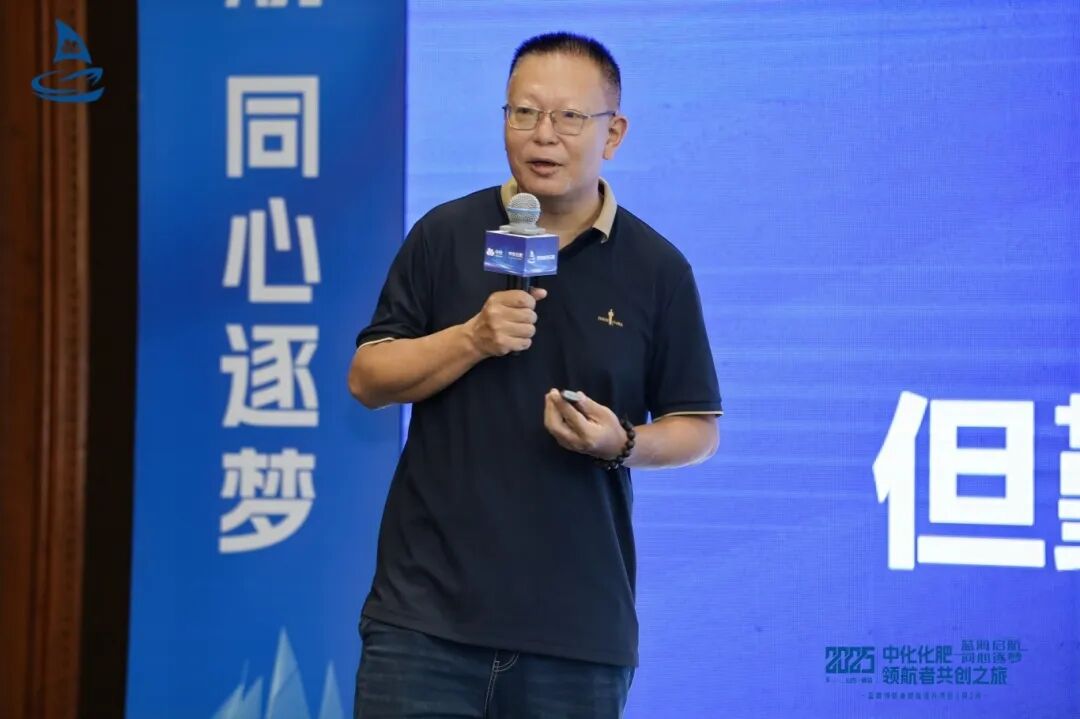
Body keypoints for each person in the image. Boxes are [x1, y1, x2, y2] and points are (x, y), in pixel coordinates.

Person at [348, 31, 722, 718]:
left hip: (576, 637)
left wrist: (621, 443)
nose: (542, 135)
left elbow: (697, 428)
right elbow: (368, 377)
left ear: (613, 134)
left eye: (569, 117)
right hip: (424, 627)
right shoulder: (445, 234)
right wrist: (471, 337)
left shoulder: (657, 269)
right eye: (524, 112)